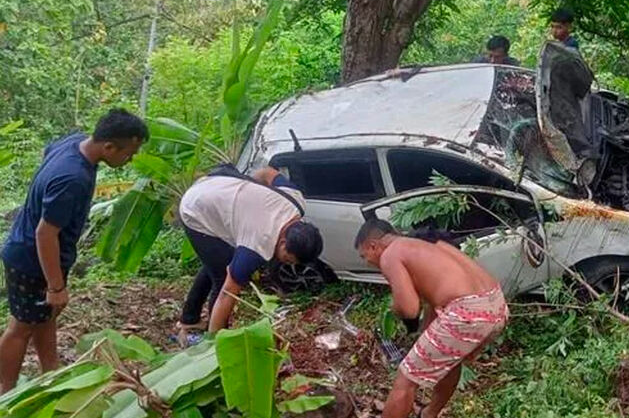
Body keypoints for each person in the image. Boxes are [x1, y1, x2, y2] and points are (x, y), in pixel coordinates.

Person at [0, 109, 147, 393]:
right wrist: (56, 285)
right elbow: (45, 234)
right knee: (21, 327)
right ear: (109, 147)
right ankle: (5, 390)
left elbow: (48, 152)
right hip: (32, 258)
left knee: (46, 315)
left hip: (36, 252)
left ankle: (51, 374)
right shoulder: (73, 178)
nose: (131, 158)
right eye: (129, 152)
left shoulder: (75, 143)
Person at [354, 219, 508, 418]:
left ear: (373, 246)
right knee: (450, 362)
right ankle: (428, 414)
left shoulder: (391, 254)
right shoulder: (431, 246)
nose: (367, 262)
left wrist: (395, 307)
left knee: (405, 381)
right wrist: (423, 336)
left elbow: (409, 308)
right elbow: (434, 302)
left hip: (466, 312)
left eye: (364, 255)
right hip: (496, 305)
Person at [176, 165, 323, 336]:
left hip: (217, 185)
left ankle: (189, 318)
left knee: (216, 262)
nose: (285, 263)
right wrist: (217, 343)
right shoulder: (258, 244)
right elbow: (227, 294)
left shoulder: (296, 200)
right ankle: (212, 338)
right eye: (288, 259)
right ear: (283, 241)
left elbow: (267, 172)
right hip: (196, 208)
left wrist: (250, 194)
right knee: (222, 276)